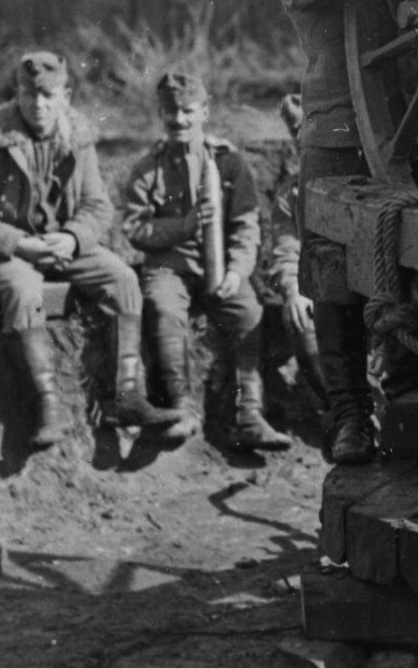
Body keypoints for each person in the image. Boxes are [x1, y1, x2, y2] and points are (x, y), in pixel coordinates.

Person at [274, 0, 418, 464]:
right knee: (333, 279)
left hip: (406, 133)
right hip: (335, 137)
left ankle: (411, 406)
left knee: (409, 269)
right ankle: (350, 416)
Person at [0, 50, 158, 447]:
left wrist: (73, 237)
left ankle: (127, 396)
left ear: (66, 97)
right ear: (17, 95)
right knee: (26, 291)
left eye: (48, 96)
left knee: (124, 278)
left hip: (61, 243)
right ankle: (49, 405)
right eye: (30, 95)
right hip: (3, 251)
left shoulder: (79, 137)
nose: (39, 105)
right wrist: (19, 243)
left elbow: (97, 205)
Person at [121, 71, 291, 452]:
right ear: (160, 115)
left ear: (204, 112)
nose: (179, 120)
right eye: (170, 112)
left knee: (249, 313)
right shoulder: (148, 168)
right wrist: (184, 226)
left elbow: (247, 225)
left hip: (221, 267)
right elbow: (134, 228)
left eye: (187, 111)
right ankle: (181, 407)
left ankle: (249, 415)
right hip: (168, 266)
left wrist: (237, 271)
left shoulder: (229, 163)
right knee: (163, 309)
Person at [262, 93, 328, 407]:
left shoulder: (371, 176)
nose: (304, 140)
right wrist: (293, 290)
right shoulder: (291, 196)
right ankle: (344, 410)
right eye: (298, 134)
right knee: (299, 317)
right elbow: (287, 251)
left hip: (374, 291)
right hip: (328, 291)